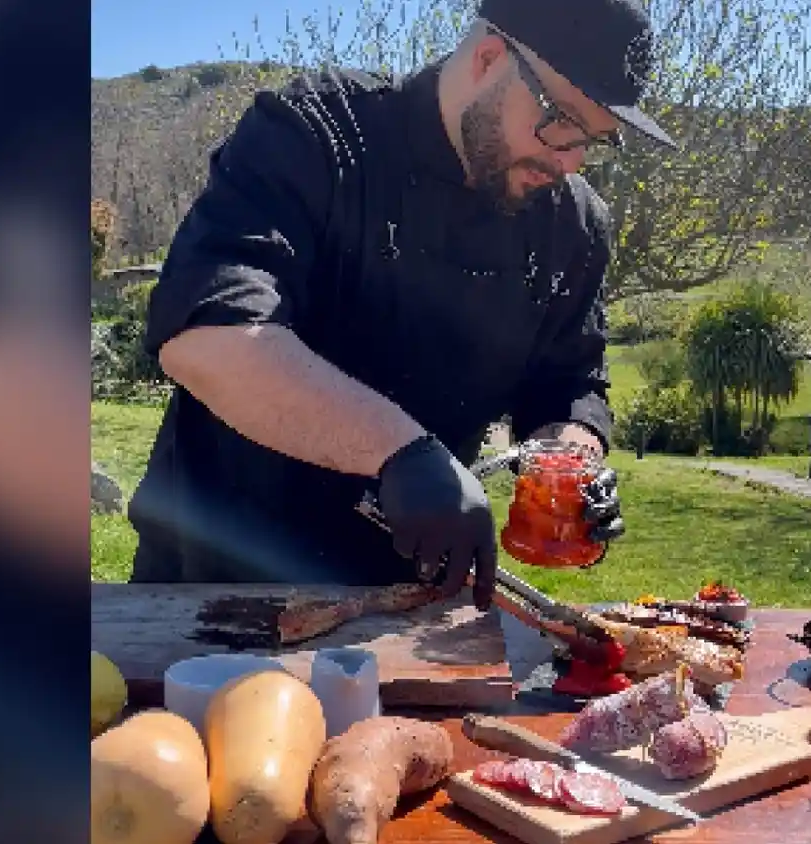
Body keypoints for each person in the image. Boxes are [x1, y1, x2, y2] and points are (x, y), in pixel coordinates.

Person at [128, 0, 677, 610]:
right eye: (561, 122)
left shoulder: (573, 226)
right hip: (216, 589)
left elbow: (569, 383)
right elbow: (211, 333)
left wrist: (571, 462)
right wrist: (400, 450)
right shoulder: (312, 135)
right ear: (489, 59)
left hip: (410, 606)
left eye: (594, 140)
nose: (569, 159)